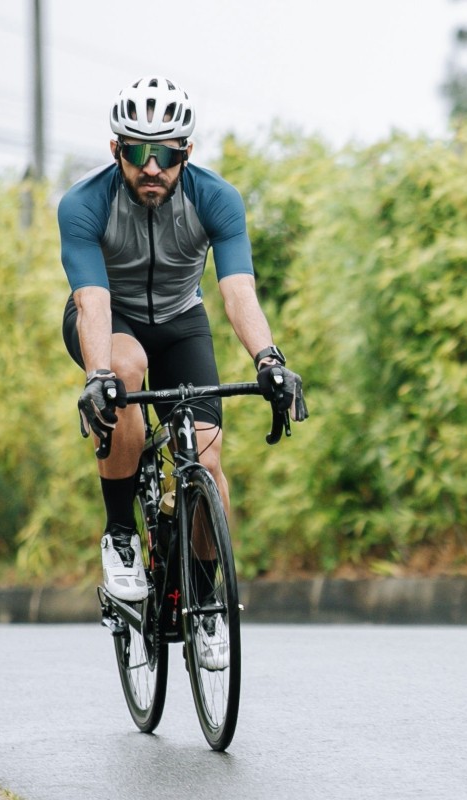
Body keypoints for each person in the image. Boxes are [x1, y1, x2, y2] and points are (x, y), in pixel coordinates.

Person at [62, 75, 306, 670]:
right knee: (126, 368)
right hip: (110, 319)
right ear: (116, 149)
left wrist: (269, 359)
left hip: (181, 320)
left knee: (208, 459)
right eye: (138, 152)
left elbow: (238, 292)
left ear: (187, 153)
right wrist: (98, 374)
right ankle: (121, 534)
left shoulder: (216, 198)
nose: (152, 167)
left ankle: (206, 600)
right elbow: (92, 300)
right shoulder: (84, 203)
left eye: (166, 154)